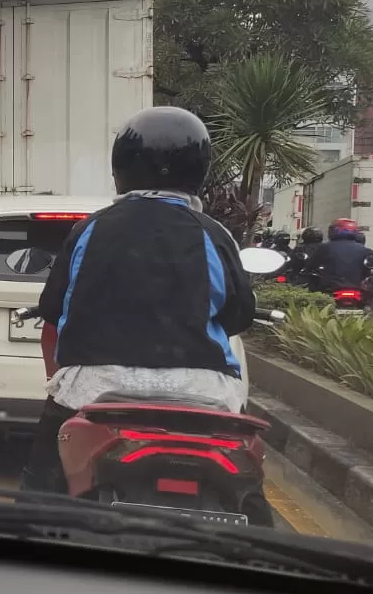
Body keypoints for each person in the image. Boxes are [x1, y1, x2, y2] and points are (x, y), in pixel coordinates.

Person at [21, 106, 256, 494]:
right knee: (245, 492)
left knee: (40, 491)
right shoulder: (214, 234)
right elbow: (238, 316)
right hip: (204, 397)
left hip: (94, 394)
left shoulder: (89, 230)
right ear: (198, 169)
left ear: (121, 168)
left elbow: (54, 309)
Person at [308, 218, 373, 292]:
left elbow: (311, 265)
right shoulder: (366, 250)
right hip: (357, 288)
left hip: (330, 288)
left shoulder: (324, 248)